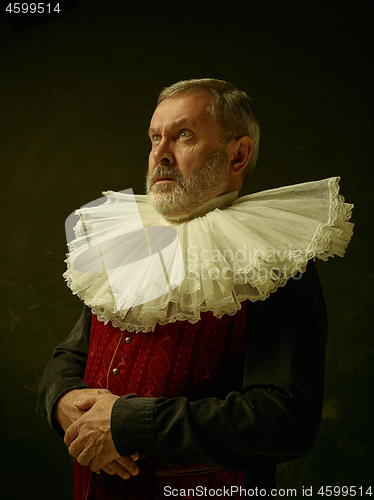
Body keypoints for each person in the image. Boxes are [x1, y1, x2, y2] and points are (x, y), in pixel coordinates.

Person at [37, 78, 353, 499]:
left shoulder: (276, 262)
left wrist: (128, 422)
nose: (160, 154)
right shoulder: (129, 242)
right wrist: (61, 400)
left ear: (238, 154)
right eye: (155, 138)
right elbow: (71, 357)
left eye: (183, 135)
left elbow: (285, 421)